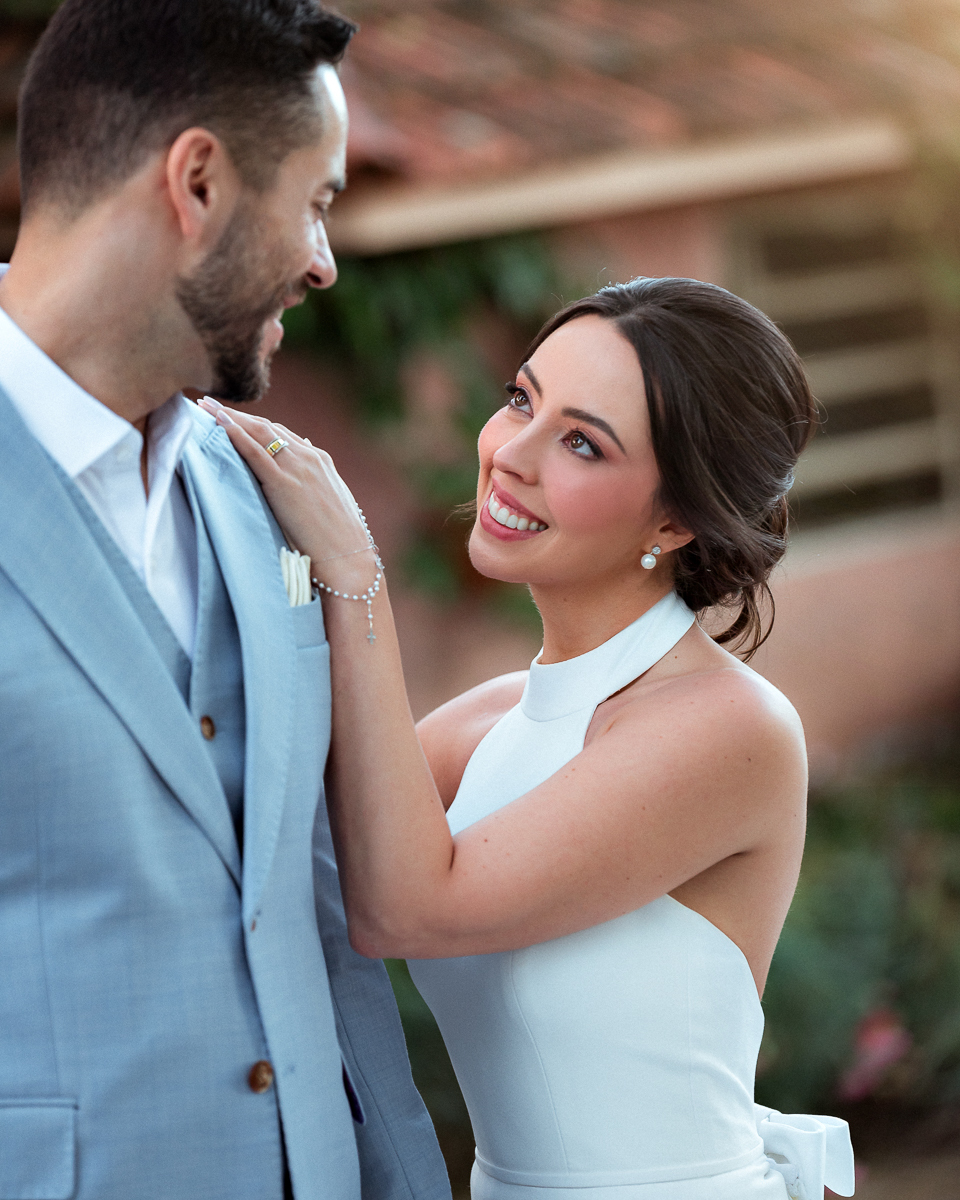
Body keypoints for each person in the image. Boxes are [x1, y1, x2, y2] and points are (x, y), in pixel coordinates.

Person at [210, 276, 858, 1200]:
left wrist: (352, 570)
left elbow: (404, 909)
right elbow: (267, 818)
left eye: (582, 443)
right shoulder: (486, 724)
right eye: (521, 398)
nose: (510, 454)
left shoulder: (731, 730)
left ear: (674, 519)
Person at [0, 3, 449, 1199]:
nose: (324, 259)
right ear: (196, 182)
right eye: (317, 201)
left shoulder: (273, 504)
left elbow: (306, 906)